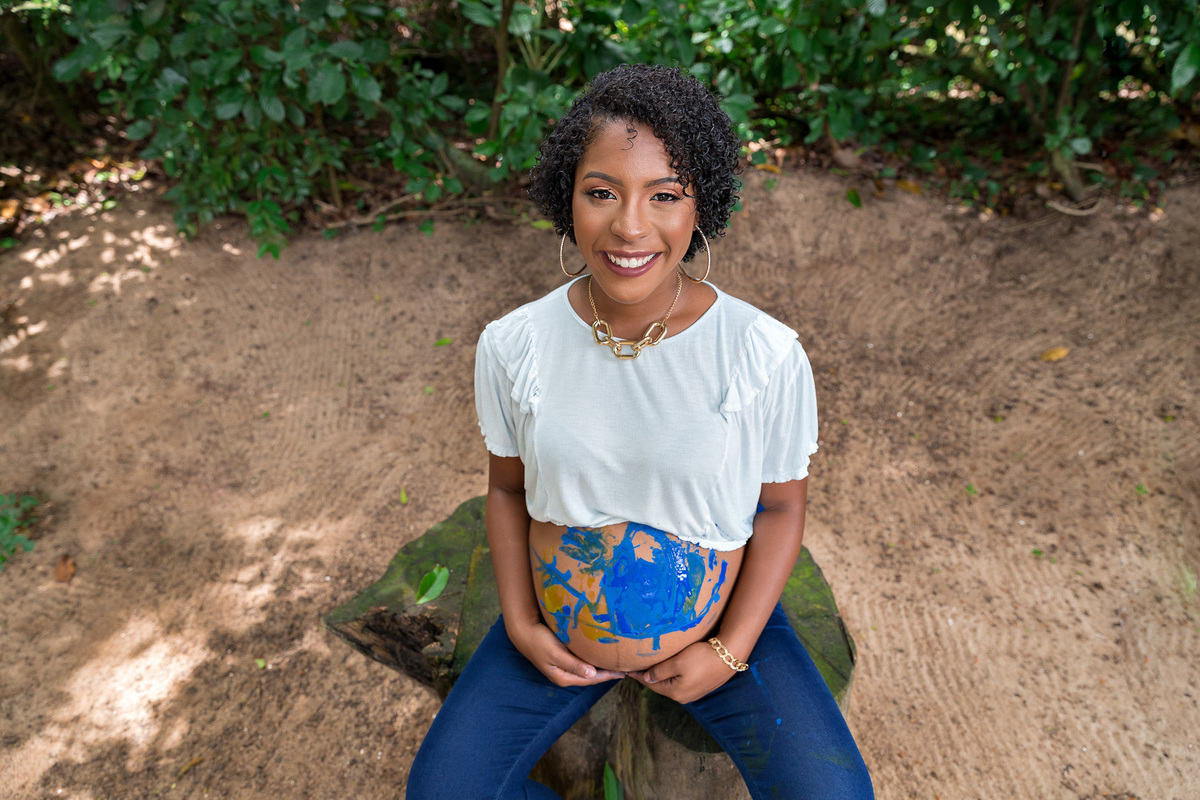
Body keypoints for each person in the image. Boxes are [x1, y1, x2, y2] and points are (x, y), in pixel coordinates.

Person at [407, 63, 873, 800]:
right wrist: (523, 626)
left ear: (701, 205)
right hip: (557, 636)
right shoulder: (515, 344)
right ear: (566, 198)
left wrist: (730, 650)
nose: (629, 226)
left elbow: (782, 507)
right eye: (601, 193)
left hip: (719, 634)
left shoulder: (761, 353)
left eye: (665, 195)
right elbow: (506, 492)